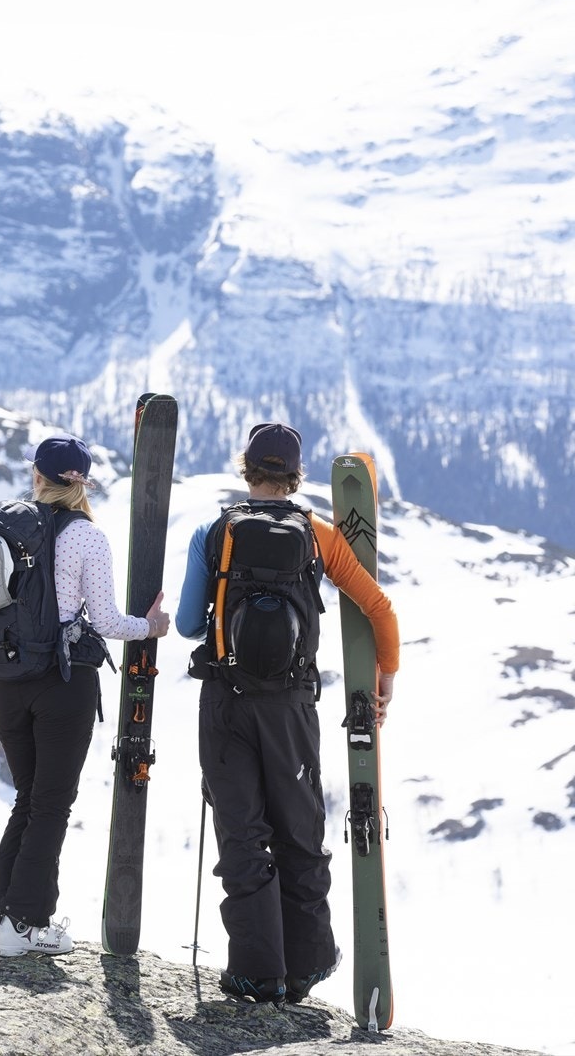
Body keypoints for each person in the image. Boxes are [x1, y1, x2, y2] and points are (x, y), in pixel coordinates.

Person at [175, 422, 400, 1004]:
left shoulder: (214, 530)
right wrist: (387, 676)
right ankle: (306, 965)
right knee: (299, 831)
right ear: (295, 476)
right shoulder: (317, 535)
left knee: (242, 833)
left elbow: (187, 626)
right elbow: (378, 608)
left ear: (246, 468)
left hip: (226, 702)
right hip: (292, 708)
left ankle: (256, 972)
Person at [0, 435, 170, 957]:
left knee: (28, 799)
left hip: (6, 685)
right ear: (81, 482)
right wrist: (152, 626)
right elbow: (109, 621)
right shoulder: (86, 537)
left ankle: (3, 916)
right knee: (50, 805)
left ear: (37, 475)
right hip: (63, 684)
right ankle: (24, 923)